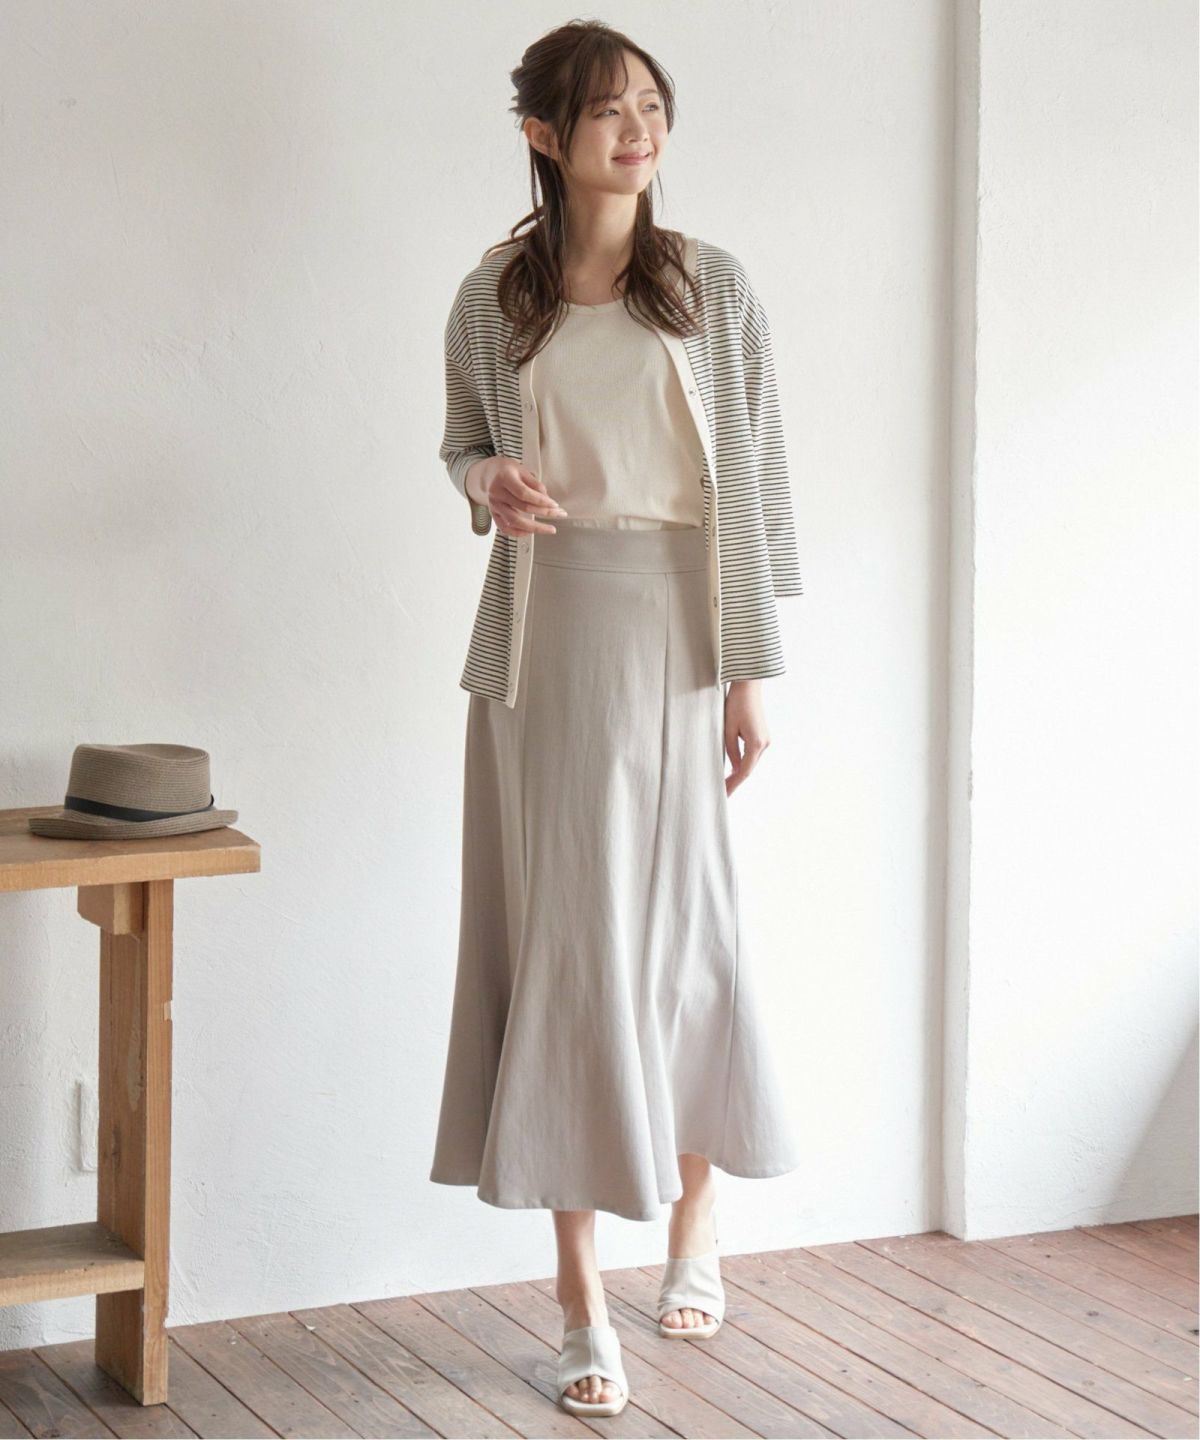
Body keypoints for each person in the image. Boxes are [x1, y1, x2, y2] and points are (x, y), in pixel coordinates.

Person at [429, 19, 805, 1419]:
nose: (638, 131)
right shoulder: (495, 293)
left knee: (689, 937)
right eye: (607, 111)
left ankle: (697, 1217)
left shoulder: (714, 285)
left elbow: (755, 477)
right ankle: (582, 1301)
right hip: (547, 640)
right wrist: (487, 483)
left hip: (682, 626)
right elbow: (462, 441)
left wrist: (750, 668)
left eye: (652, 105)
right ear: (544, 134)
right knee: (570, 954)